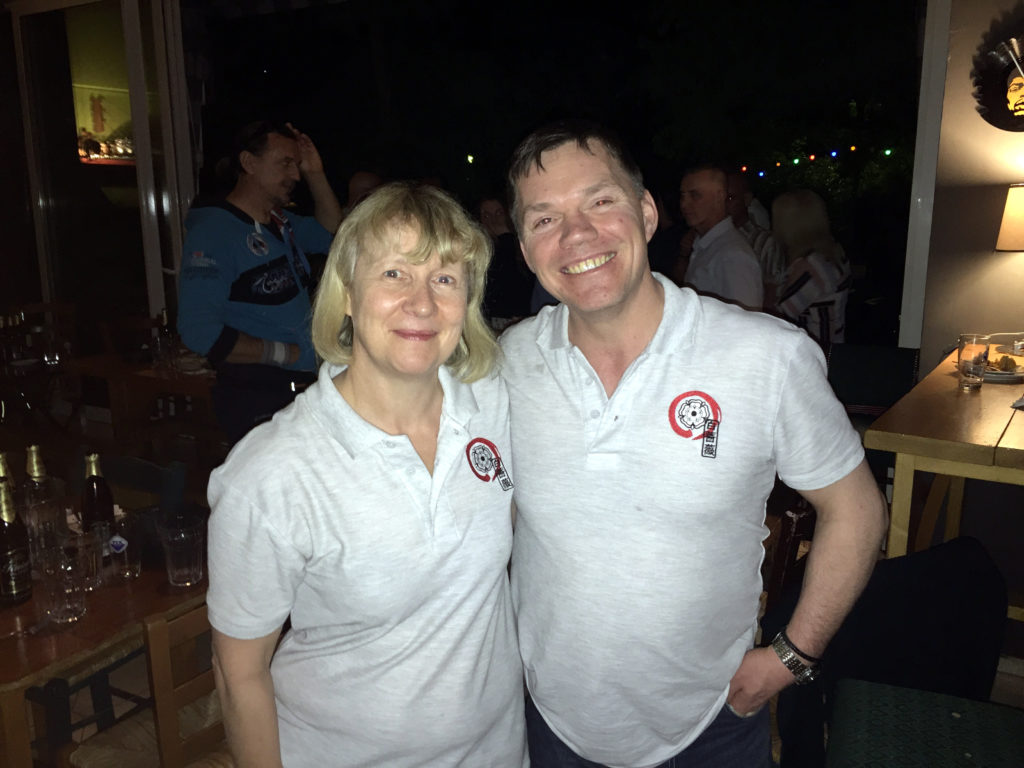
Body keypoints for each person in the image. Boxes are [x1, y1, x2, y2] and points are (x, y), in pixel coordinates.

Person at [501, 120, 887, 768]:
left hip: (709, 725)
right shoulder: (506, 364)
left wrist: (792, 657)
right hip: (548, 722)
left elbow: (858, 509)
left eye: (600, 201)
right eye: (545, 219)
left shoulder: (767, 356)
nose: (576, 234)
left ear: (647, 213)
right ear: (524, 247)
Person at [207, 182, 527, 768]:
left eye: (445, 278)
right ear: (347, 292)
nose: (422, 303)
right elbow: (239, 674)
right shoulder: (272, 474)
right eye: (394, 274)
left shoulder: (495, 406)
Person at [178, 121, 343, 445]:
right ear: (249, 163)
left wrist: (315, 173)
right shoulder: (214, 232)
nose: (295, 176)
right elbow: (199, 331)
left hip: (298, 392)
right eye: (285, 163)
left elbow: (332, 233)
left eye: (297, 165)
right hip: (257, 399)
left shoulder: (279, 222)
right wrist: (290, 353)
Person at [772, 189, 852, 346]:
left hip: (815, 352)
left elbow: (776, 319)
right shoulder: (833, 253)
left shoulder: (811, 268)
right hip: (831, 348)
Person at [679, 165, 763, 310]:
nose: (684, 204)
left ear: (719, 197)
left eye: (695, 195)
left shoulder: (733, 255)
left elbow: (746, 319)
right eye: (682, 196)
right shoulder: (705, 245)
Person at [726, 172, 785, 306]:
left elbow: (771, 296)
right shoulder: (707, 237)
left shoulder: (765, 242)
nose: (724, 205)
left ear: (746, 199)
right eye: (720, 198)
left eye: (730, 198)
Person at [479, 196, 534, 329]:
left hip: (526, 320)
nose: (493, 220)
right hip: (493, 323)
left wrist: (506, 238)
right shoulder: (480, 252)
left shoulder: (524, 245)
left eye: (499, 213)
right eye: (486, 215)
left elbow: (519, 285)